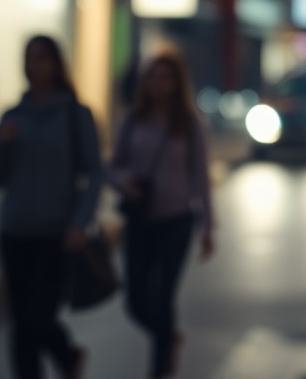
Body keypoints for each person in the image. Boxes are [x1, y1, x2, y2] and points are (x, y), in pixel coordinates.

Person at [0, 36, 101, 379]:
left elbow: (93, 173)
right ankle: (58, 363)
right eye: (29, 58)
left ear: (56, 64)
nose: (35, 66)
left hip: (55, 233)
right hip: (14, 230)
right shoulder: (13, 115)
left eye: (42, 58)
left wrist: (80, 222)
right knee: (20, 325)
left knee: (39, 318)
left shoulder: (75, 116)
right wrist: (1, 145)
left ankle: (67, 355)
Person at [110, 52, 215, 379]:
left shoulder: (189, 123)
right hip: (140, 219)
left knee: (163, 296)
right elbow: (112, 165)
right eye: (153, 76)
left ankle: (159, 370)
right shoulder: (132, 119)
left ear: (177, 82)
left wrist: (209, 227)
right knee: (136, 301)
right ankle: (168, 338)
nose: (159, 83)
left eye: (166, 77)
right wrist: (122, 181)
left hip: (177, 219)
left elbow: (200, 176)